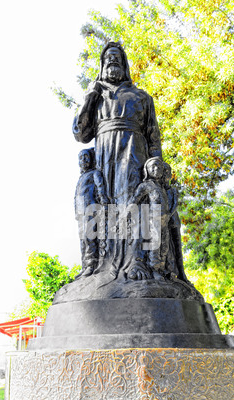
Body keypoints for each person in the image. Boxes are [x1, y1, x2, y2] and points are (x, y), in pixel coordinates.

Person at [73, 42, 163, 279]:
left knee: (133, 206)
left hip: (134, 154)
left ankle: (138, 261)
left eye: (117, 58)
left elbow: (153, 136)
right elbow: (80, 134)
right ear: (102, 66)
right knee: (101, 209)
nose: (112, 62)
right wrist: (89, 97)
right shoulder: (95, 97)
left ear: (124, 65)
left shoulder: (141, 97)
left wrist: (158, 170)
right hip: (104, 158)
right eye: (108, 59)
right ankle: (100, 265)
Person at [130, 158, 170, 280]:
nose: (156, 169)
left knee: (164, 246)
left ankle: (162, 269)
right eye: (152, 166)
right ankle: (155, 270)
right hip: (154, 219)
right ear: (146, 170)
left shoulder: (162, 187)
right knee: (155, 246)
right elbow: (135, 200)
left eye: (159, 167)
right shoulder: (145, 185)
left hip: (165, 220)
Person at [74, 148, 108, 277]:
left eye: (86, 157)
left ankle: (92, 265)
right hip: (81, 212)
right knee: (83, 240)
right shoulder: (81, 177)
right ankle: (85, 265)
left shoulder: (95, 173)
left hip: (92, 209)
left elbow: (101, 189)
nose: (83, 160)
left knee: (90, 238)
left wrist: (104, 205)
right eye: (81, 158)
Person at [162, 162, 188, 282]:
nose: (167, 175)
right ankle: (168, 270)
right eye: (165, 172)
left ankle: (181, 273)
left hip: (172, 221)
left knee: (177, 247)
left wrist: (168, 215)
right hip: (163, 221)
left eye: (168, 172)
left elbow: (174, 206)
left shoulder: (171, 190)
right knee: (167, 247)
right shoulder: (157, 189)